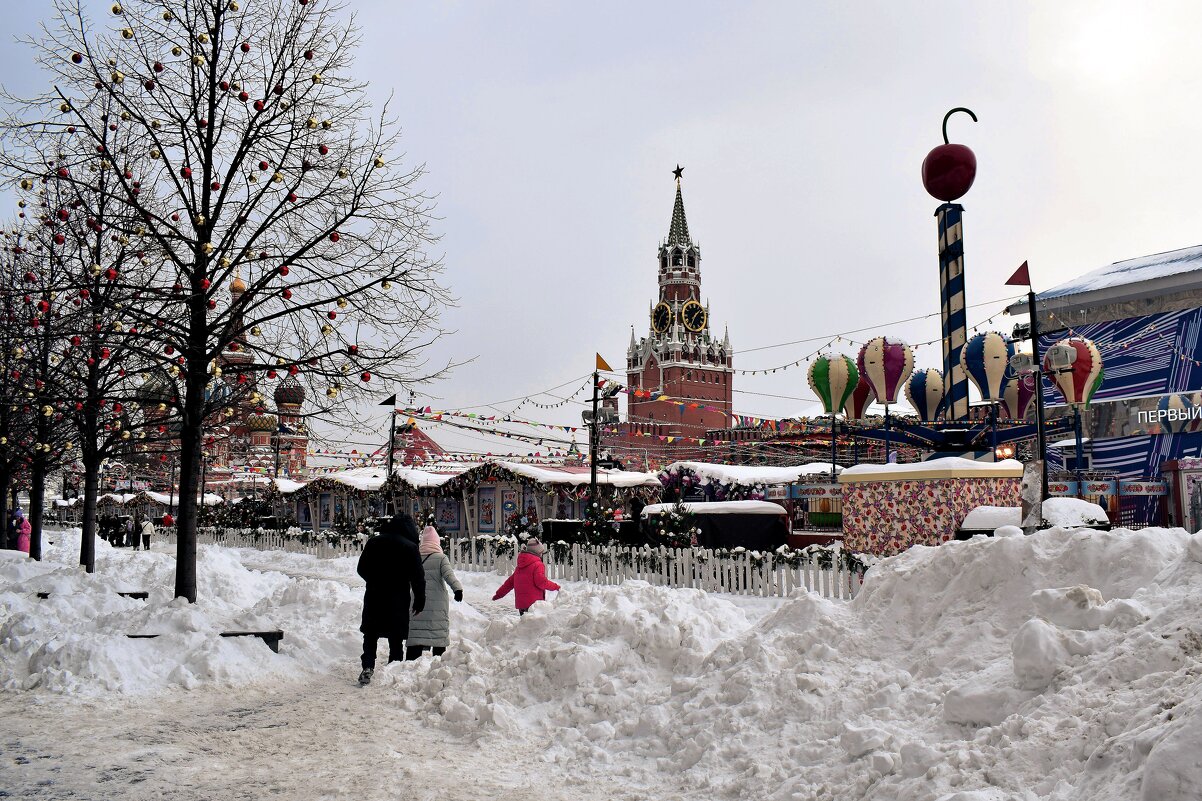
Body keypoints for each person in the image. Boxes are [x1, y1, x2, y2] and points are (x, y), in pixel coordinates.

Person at [355, 514, 425, 686]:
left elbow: (361, 568)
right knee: (396, 636)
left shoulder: (374, 542)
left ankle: (367, 666)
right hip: (398, 598)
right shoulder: (410, 547)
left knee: (371, 634)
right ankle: (394, 668)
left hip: (374, 595)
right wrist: (419, 600)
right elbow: (418, 577)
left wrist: (373, 580)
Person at [406, 525, 464, 660]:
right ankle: (439, 665)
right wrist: (458, 589)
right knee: (438, 635)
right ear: (436, 542)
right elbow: (449, 576)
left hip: (417, 602)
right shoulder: (441, 558)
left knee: (417, 634)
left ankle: (409, 664)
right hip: (437, 605)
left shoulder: (415, 557)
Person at [492, 537, 560, 615]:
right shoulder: (538, 565)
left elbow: (509, 584)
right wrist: (556, 587)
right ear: (537, 553)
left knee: (525, 625)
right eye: (541, 553)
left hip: (522, 604)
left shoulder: (519, 566)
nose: (541, 555)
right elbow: (541, 582)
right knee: (535, 626)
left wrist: (498, 595)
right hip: (534, 604)